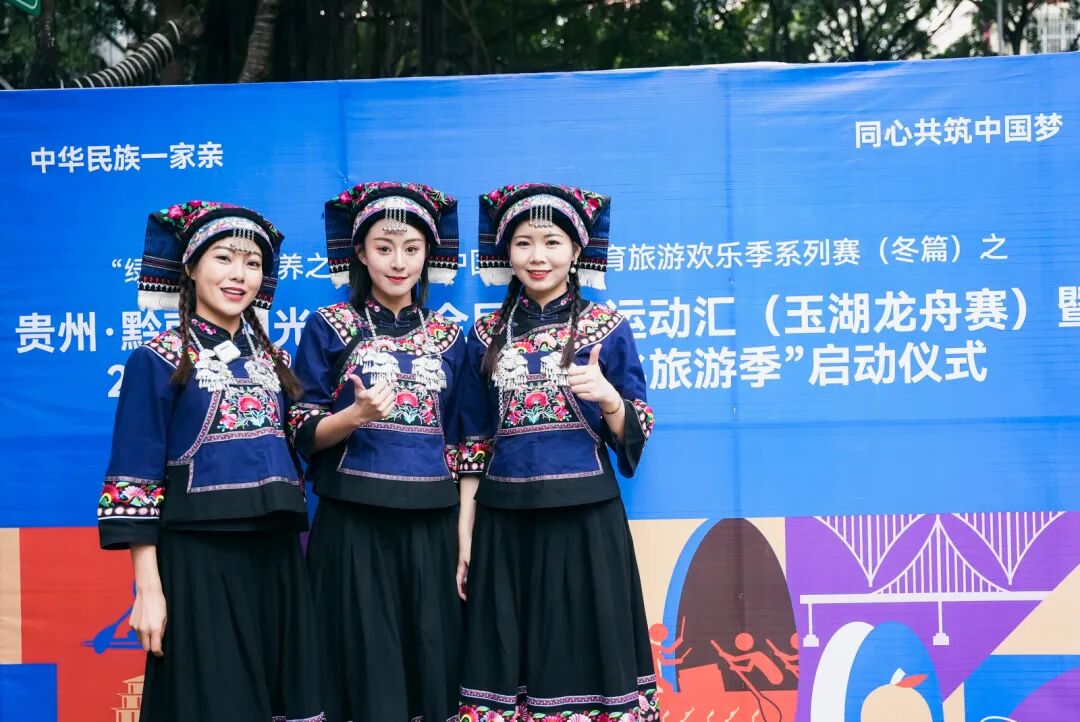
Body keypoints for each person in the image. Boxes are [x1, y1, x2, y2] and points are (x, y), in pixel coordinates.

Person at [97, 200, 323, 722]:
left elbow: (304, 443)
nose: (239, 274)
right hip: (199, 560)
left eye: (252, 263)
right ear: (191, 267)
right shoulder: (156, 358)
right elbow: (135, 479)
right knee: (214, 701)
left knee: (282, 697)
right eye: (224, 258)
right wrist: (148, 590)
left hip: (276, 556)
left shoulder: (276, 361)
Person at [456, 183, 658, 722]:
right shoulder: (483, 334)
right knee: (508, 658)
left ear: (575, 251)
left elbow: (637, 423)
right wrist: (465, 537)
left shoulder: (606, 327)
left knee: (586, 656)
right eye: (524, 243)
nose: (537, 256)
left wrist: (609, 398)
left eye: (551, 242)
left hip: (586, 519)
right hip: (505, 522)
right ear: (507, 252)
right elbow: (472, 445)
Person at [289, 182, 464, 722]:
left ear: (428, 255)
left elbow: (468, 444)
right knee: (360, 662)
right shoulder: (328, 326)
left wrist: (466, 538)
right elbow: (300, 428)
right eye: (384, 248)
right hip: (353, 523)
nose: (398, 262)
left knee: (431, 659)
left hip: (432, 524)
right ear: (361, 254)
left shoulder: (452, 337)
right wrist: (354, 417)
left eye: (411, 249)